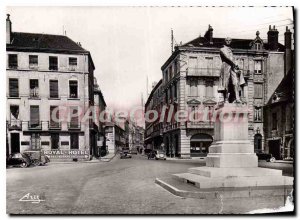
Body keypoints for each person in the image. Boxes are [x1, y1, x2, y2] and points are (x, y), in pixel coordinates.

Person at [218, 37, 245, 103]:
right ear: (224, 41)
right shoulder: (222, 49)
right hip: (226, 66)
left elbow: (232, 58)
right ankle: (226, 99)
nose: (228, 41)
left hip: (232, 67)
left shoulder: (231, 50)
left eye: (229, 40)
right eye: (227, 40)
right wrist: (235, 64)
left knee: (235, 82)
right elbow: (227, 57)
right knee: (226, 83)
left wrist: (237, 66)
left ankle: (237, 98)